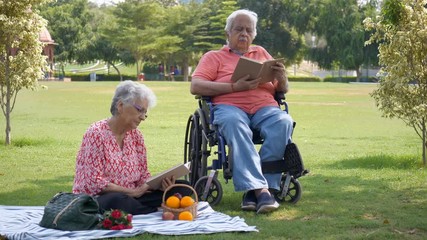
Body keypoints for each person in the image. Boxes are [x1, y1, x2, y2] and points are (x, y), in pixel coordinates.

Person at [190, 9, 293, 214]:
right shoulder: (214, 57)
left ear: (254, 34)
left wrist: (281, 78)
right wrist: (234, 87)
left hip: (264, 107)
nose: (244, 33)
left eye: (249, 30)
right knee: (235, 125)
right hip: (230, 107)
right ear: (228, 33)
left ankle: (256, 190)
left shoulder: (261, 53)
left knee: (283, 122)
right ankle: (262, 191)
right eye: (239, 29)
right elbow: (196, 86)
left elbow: (282, 90)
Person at [72, 80, 188, 215]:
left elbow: (143, 175)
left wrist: (160, 185)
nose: (143, 117)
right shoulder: (96, 133)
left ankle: (140, 208)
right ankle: (147, 209)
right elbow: (94, 183)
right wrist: (133, 192)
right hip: (97, 199)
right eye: (140, 110)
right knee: (118, 200)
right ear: (120, 106)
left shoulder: (137, 136)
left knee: (182, 188)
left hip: (133, 196)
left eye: (145, 113)